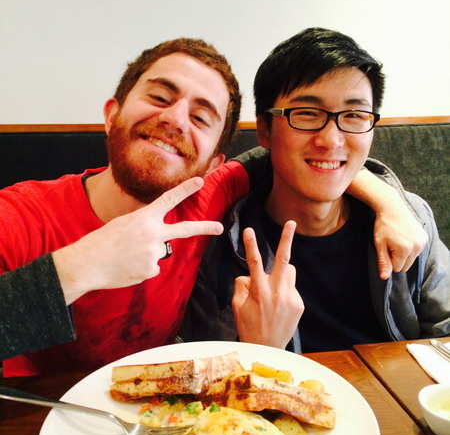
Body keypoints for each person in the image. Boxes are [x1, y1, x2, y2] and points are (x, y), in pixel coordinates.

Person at [0, 37, 427, 375]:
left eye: (202, 117)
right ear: (112, 113)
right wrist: (83, 264)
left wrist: (390, 201)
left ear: (215, 161)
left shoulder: (207, 197)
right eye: (161, 97)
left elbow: (307, 157)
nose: (176, 119)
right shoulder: (20, 215)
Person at [183, 28, 450, 352]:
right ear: (265, 130)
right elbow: (212, 371)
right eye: (307, 114)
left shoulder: (410, 221)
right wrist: (261, 348)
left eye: (353, 115)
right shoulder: (221, 242)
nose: (331, 140)